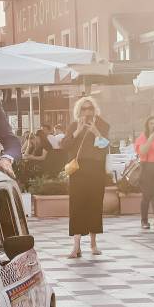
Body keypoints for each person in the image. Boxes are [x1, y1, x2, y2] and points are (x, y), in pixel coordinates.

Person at [61, 96, 110, 257]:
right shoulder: (74, 125)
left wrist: (96, 131)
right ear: (79, 110)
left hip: (96, 169)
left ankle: (93, 244)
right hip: (78, 170)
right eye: (84, 108)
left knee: (94, 205)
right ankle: (76, 246)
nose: (87, 112)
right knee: (77, 206)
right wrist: (78, 131)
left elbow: (105, 147)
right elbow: (65, 146)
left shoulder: (102, 124)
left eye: (90, 108)